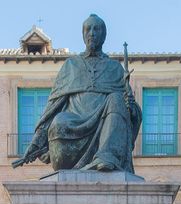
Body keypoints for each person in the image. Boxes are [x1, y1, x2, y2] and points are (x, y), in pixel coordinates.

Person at [12, 14, 141, 173]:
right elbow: (52, 108)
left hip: (105, 127)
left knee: (116, 99)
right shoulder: (71, 65)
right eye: (88, 29)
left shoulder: (115, 68)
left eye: (96, 29)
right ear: (83, 34)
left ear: (104, 35)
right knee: (59, 121)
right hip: (72, 128)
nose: (92, 33)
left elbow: (128, 110)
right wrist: (36, 143)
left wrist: (132, 109)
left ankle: (106, 157)